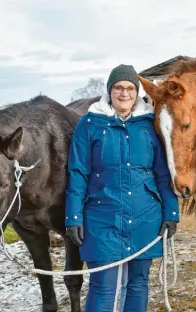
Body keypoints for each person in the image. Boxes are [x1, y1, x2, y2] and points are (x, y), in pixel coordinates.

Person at [65, 64, 180, 312]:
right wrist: (73, 216)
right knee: (102, 285)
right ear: (109, 91)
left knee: (138, 283)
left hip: (144, 216)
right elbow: (77, 172)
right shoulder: (89, 124)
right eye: (118, 87)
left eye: (130, 88)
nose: (124, 93)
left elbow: (163, 172)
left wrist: (171, 212)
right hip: (101, 216)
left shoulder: (150, 124)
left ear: (137, 93)